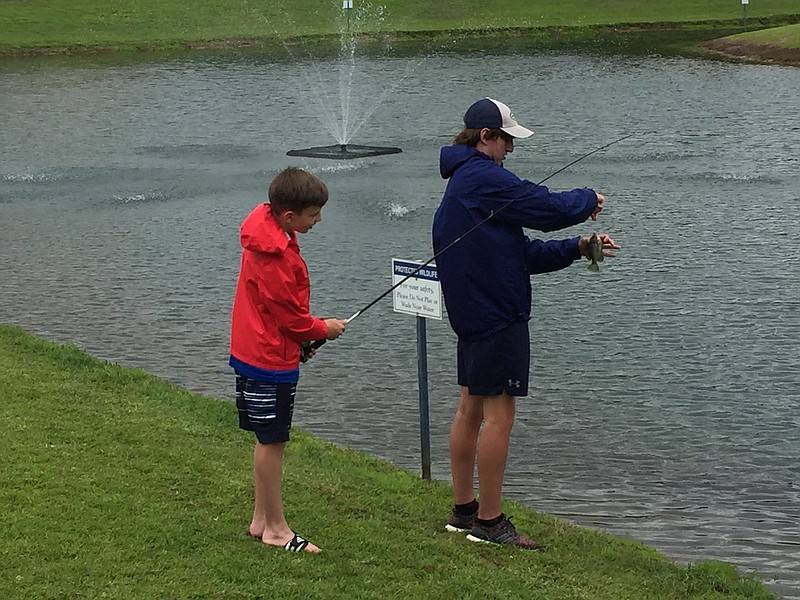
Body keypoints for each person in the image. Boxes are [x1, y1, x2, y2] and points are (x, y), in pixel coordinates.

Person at [432, 98, 619, 549]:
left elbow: (519, 255)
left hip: (474, 315)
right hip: (498, 316)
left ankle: (463, 511)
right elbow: (542, 206)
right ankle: (490, 523)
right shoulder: (482, 176)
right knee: (500, 416)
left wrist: (577, 247)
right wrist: (586, 200)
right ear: (486, 137)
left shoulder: (464, 183)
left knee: (470, 410)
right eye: (507, 139)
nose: (511, 149)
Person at [229, 167, 347, 553]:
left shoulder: (266, 232)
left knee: (267, 439)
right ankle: (277, 529)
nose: (319, 220)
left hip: (256, 350)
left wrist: (300, 341)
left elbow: (278, 315)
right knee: (273, 441)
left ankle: (261, 519)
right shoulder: (275, 255)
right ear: (288, 216)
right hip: (267, 361)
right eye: (313, 214)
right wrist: (321, 329)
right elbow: (291, 317)